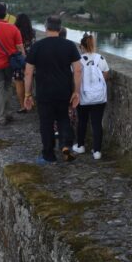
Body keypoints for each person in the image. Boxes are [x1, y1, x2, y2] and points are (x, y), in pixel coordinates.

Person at [23, 16, 81, 164]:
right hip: (64, 90)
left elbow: (28, 72)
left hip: (44, 92)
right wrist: (76, 92)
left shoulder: (37, 46)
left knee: (46, 123)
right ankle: (65, 145)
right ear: (60, 29)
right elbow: (78, 70)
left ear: (45, 27)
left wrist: (27, 94)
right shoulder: (70, 46)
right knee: (64, 119)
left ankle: (48, 155)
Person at [71, 33, 110, 160]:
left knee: (82, 121)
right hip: (99, 97)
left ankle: (81, 145)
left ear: (81, 46)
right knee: (97, 123)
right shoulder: (101, 58)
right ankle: (97, 151)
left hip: (83, 95)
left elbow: (74, 76)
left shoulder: (78, 60)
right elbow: (106, 74)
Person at [13, 14, 36, 113]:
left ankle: (23, 106)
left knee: (19, 83)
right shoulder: (32, 32)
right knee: (29, 82)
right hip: (30, 61)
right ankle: (30, 103)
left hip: (18, 60)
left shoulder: (14, 31)